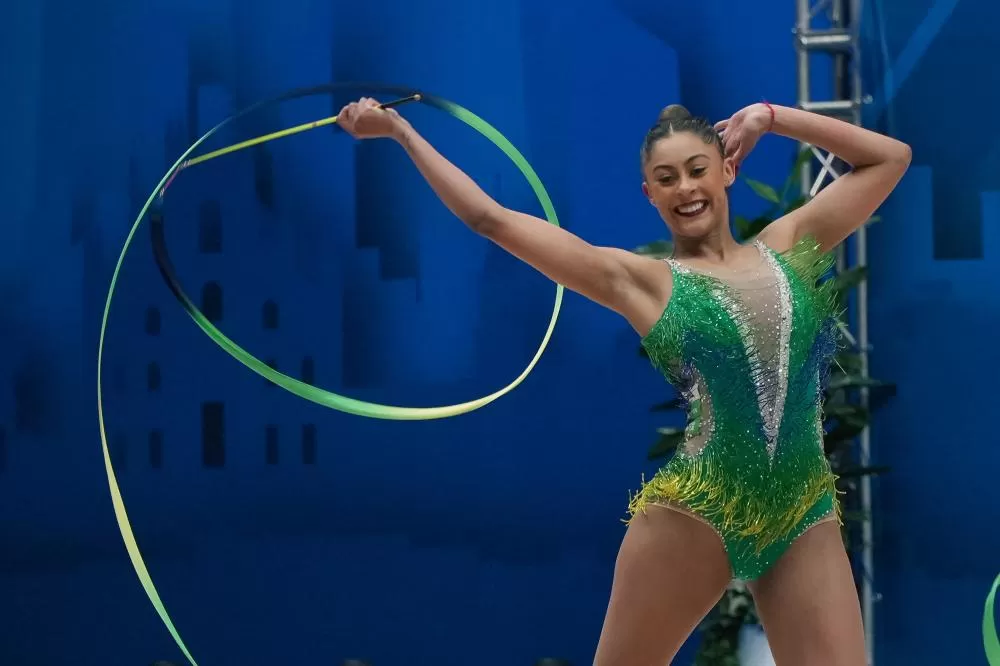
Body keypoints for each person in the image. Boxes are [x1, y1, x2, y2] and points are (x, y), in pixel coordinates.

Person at [336, 96, 910, 665]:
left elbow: (890, 158)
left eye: (697, 170)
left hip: (803, 510)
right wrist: (400, 132)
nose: (685, 188)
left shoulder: (790, 244)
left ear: (728, 170)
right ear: (649, 194)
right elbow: (491, 218)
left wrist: (771, 117)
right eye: (666, 179)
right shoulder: (641, 281)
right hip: (698, 514)